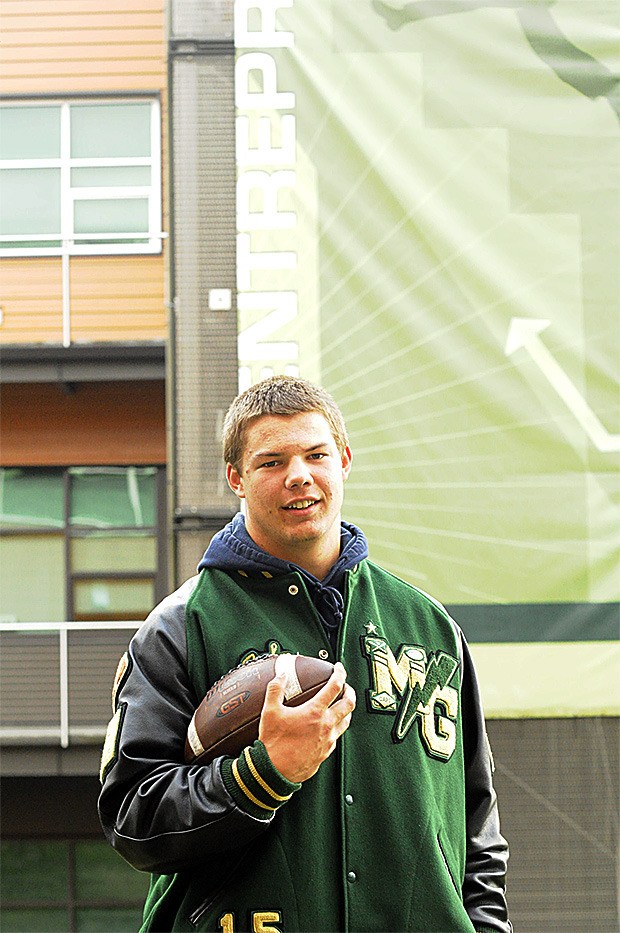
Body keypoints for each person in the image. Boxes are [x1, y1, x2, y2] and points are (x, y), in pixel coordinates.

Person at [98, 375, 512, 933]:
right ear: (235, 479)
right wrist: (264, 773)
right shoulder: (180, 628)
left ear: (343, 460)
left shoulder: (430, 625)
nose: (299, 475)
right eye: (270, 462)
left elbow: (477, 825)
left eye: (316, 454)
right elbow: (133, 818)